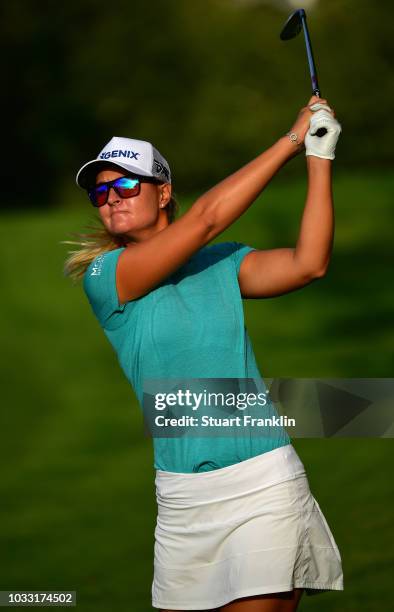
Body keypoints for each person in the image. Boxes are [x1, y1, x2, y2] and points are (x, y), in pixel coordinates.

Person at [64, 95, 343, 612]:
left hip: (262, 484)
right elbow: (206, 220)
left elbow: (308, 264)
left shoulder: (221, 264)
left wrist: (317, 160)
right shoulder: (106, 278)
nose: (110, 199)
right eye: (99, 193)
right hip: (181, 501)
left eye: (125, 184)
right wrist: (289, 139)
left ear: (163, 192)